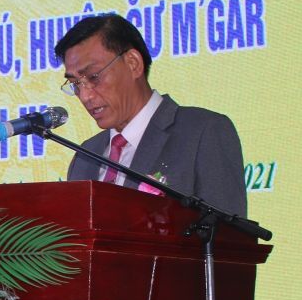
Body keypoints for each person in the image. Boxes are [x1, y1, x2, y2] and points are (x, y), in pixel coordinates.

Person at [55, 13, 246, 218]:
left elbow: (228, 233)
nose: (85, 96)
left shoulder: (202, 132)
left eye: (94, 77)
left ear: (133, 63)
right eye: (75, 84)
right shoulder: (85, 155)